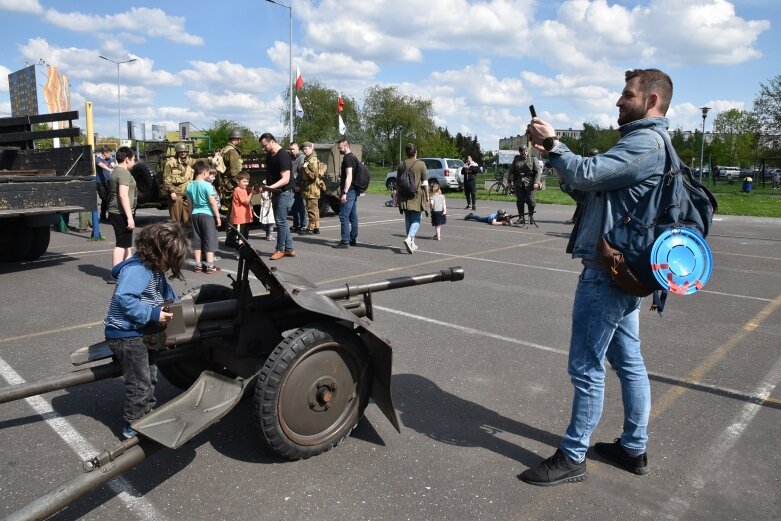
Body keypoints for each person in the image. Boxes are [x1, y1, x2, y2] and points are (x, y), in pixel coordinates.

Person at [519, 68, 675, 487]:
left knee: (586, 366)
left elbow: (587, 172)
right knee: (628, 362)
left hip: (608, 274)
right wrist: (553, 157)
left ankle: (572, 456)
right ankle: (633, 446)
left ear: (653, 101)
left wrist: (554, 143)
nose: (619, 102)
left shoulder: (645, 142)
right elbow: (591, 190)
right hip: (621, 271)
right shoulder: (641, 143)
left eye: (627, 95)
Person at [104, 220, 189, 439]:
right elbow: (125, 298)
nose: (169, 266)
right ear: (158, 252)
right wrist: (153, 314)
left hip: (140, 331)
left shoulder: (154, 267)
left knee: (150, 374)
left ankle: (146, 411)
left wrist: (174, 303)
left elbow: (165, 290)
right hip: (126, 334)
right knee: (139, 381)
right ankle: (134, 424)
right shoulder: (137, 270)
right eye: (169, 260)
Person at [259, 132, 296, 260]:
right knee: (283, 222)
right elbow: (269, 175)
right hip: (276, 192)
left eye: (265, 146)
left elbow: (285, 179)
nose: (263, 149)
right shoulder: (269, 156)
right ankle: (289, 249)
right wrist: (266, 186)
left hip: (284, 193)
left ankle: (280, 249)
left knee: (280, 221)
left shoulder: (283, 156)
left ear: (272, 142)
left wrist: (270, 187)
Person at [186, 160, 222, 273]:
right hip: (207, 214)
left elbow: (190, 203)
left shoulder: (189, 186)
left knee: (197, 239)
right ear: (204, 172)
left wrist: (192, 216)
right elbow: (212, 202)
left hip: (195, 214)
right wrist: (218, 217)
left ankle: (198, 265)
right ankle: (210, 265)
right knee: (209, 238)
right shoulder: (207, 185)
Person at [108, 146, 138, 266]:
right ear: (127, 159)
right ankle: (115, 273)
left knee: (126, 244)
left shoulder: (115, 170)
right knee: (121, 244)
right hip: (121, 212)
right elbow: (123, 195)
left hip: (118, 211)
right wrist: (129, 217)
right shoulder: (124, 173)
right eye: (134, 159)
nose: (135, 162)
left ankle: (128, 268)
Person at [398, 143, 430, 253]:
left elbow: (398, 182)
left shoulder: (401, 165)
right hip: (416, 195)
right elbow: (425, 182)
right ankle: (410, 238)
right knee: (416, 219)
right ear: (415, 152)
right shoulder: (421, 164)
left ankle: (411, 243)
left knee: (408, 219)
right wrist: (427, 197)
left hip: (404, 195)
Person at [334, 138, 361, 248]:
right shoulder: (354, 157)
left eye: (340, 147)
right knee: (353, 216)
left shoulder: (348, 159)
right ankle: (352, 239)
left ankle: (345, 241)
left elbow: (349, 176)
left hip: (349, 191)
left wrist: (344, 192)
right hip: (354, 190)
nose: (339, 149)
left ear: (346, 146)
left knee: (343, 216)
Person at [220, 129, 244, 248]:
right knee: (234, 213)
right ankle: (230, 238)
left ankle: (230, 237)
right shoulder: (233, 152)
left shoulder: (225, 149)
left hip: (225, 184)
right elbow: (235, 172)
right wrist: (238, 185)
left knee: (231, 212)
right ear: (237, 139)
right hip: (231, 184)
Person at [163, 142, 195, 226]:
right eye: (181, 151)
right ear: (177, 152)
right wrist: (172, 191)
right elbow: (166, 179)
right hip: (176, 193)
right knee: (176, 219)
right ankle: (175, 237)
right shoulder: (170, 163)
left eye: (185, 151)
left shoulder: (190, 161)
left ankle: (187, 237)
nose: (183, 153)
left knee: (187, 219)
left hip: (187, 193)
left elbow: (200, 163)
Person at [509, 146, 542, 225]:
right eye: (523, 152)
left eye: (526, 152)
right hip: (519, 183)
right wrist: (510, 182)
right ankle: (521, 218)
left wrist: (537, 182)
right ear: (520, 152)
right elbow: (511, 171)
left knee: (531, 201)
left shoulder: (533, 158)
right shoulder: (516, 159)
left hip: (530, 183)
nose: (525, 153)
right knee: (520, 201)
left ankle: (530, 216)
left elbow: (538, 171)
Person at [230, 171, 256, 257]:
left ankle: (243, 251)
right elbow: (246, 202)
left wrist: (254, 192)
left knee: (244, 237)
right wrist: (252, 193)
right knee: (240, 238)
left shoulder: (243, 190)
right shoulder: (239, 190)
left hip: (244, 217)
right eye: (244, 181)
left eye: (247, 181)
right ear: (238, 181)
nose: (246, 183)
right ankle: (241, 253)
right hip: (240, 218)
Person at [301, 142, 323, 234]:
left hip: (311, 188)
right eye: (303, 149)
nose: (304, 150)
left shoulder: (311, 160)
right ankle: (316, 227)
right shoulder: (310, 159)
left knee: (311, 209)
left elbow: (314, 176)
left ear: (311, 149)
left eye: (306, 149)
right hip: (313, 188)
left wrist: (305, 169)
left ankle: (310, 228)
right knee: (315, 209)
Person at [288, 142, 308, 234]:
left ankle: (303, 224)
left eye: (293, 149)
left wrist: (298, 185)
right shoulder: (290, 157)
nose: (292, 151)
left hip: (297, 184)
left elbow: (300, 173)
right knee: (293, 207)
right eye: (290, 149)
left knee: (300, 206)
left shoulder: (301, 157)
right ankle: (296, 224)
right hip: (291, 184)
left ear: (298, 149)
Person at [95, 147, 114, 223]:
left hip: (108, 182)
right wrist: (110, 170)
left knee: (109, 199)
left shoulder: (109, 159)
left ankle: (109, 216)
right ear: (105, 153)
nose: (110, 155)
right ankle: (103, 216)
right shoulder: (98, 159)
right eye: (109, 154)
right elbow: (102, 165)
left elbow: (113, 164)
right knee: (105, 199)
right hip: (100, 182)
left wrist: (117, 168)